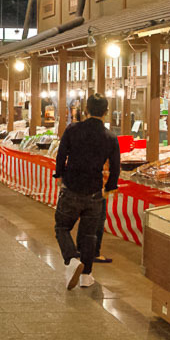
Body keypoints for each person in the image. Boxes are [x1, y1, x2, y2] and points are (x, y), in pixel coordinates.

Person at [52, 93, 120, 290]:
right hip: (94, 192)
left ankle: (72, 259)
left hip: (71, 188)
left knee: (62, 227)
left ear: (86, 110)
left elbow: (61, 154)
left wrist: (59, 175)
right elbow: (115, 167)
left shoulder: (73, 129)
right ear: (106, 112)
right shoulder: (110, 137)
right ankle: (86, 276)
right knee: (89, 235)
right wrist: (109, 188)